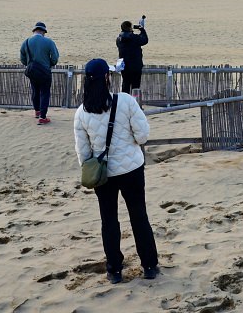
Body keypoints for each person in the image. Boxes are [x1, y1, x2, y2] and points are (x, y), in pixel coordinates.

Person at [74, 58, 159, 284]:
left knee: (109, 220)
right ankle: (149, 266)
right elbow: (142, 135)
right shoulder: (126, 101)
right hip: (131, 168)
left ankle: (114, 270)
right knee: (139, 215)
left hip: (103, 174)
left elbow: (83, 153)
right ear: (107, 77)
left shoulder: (82, 112)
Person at [21, 22, 59, 123]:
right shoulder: (49, 42)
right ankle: (43, 117)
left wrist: (29, 64)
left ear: (34, 31)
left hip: (32, 71)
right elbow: (55, 58)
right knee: (45, 93)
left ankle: (37, 111)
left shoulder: (26, 42)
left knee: (35, 91)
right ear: (43, 31)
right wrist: (50, 64)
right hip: (45, 71)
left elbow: (22, 57)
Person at [116, 19, 149, 96]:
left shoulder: (118, 39)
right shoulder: (134, 38)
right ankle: (135, 103)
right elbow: (145, 40)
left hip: (124, 66)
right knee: (136, 87)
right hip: (135, 66)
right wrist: (142, 29)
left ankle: (124, 103)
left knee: (125, 85)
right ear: (130, 28)